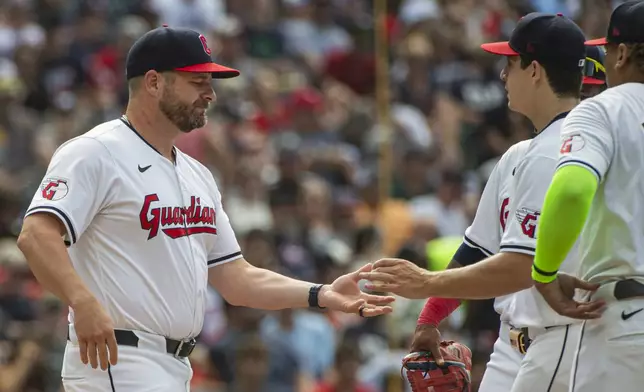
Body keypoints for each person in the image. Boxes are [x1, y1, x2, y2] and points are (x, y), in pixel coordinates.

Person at [15, 26, 394, 392]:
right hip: (117, 358)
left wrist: (321, 293)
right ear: (153, 82)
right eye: (197, 82)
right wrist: (81, 301)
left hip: (174, 365)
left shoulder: (197, 174)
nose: (210, 94)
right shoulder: (95, 152)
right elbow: (36, 235)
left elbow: (237, 278)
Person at [358, 13, 604, 392]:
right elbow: (477, 249)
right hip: (511, 344)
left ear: (534, 70)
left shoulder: (562, 150)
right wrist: (430, 318)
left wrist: (425, 282)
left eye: (510, 63)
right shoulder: (520, 154)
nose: (504, 76)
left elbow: (521, 268)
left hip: (561, 337)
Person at [531, 2, 644, 391]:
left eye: (609, 52)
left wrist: (544, 272)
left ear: (624, 53)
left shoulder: (602, 110)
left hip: (628, 324)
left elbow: (573, 192)